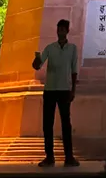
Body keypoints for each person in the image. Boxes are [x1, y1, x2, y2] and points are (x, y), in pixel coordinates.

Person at [32, 19, 80, 167]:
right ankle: (49, 156)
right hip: (50, 89)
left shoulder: (72, 48)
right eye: (59, 29)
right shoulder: (50, 48)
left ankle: (69, 156)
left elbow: (74, 70)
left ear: (67, 31)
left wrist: (73, 90)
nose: (61, 31)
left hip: (64, 89)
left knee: (66, 124)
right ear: (57, 30)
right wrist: (36, 60)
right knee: (48, 124)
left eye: (63, 29)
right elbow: (38, 65)